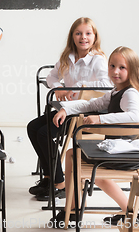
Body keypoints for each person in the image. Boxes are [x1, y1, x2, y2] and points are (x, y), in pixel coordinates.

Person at [50, 46, 139, 227]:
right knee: (75, 156)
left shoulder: (130, 93)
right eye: (112, 66)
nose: (115, 71)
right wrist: (66, 108)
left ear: (132, 70)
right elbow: (91, 104)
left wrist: (99, 118)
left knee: (75, 156)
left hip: (125, 154)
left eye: (122, 67)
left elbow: (134, 116)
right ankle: (128, 210)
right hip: (116, 151)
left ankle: (72, 210)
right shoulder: (115, 92)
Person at [27, 17, 112, 201]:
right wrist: (59, 88)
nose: (83, 37)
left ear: (94, 36)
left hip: (87, 111)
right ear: (72, 36)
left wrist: (81, 86)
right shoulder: (67, 57)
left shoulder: (97, 59)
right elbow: (51, 77)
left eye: (88, 33)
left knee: (44, 133)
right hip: (68, 108)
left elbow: (107, 84)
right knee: (33, 127)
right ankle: (49, 177)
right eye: (78, 33)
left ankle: (60, 183)